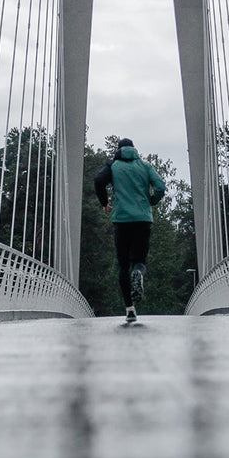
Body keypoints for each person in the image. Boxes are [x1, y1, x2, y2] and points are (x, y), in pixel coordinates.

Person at [93, 138, 165, 323]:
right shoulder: (145, 166)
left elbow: (98, 181)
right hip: (142, 220)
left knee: (123, 265)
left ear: (119, 150)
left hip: (121, 220)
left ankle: (130, 309)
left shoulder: (114, 166)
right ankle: (139, 273)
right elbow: (160, 187)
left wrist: (104, 203)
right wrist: (151, 201)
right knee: (139, 261)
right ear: (134, 150)